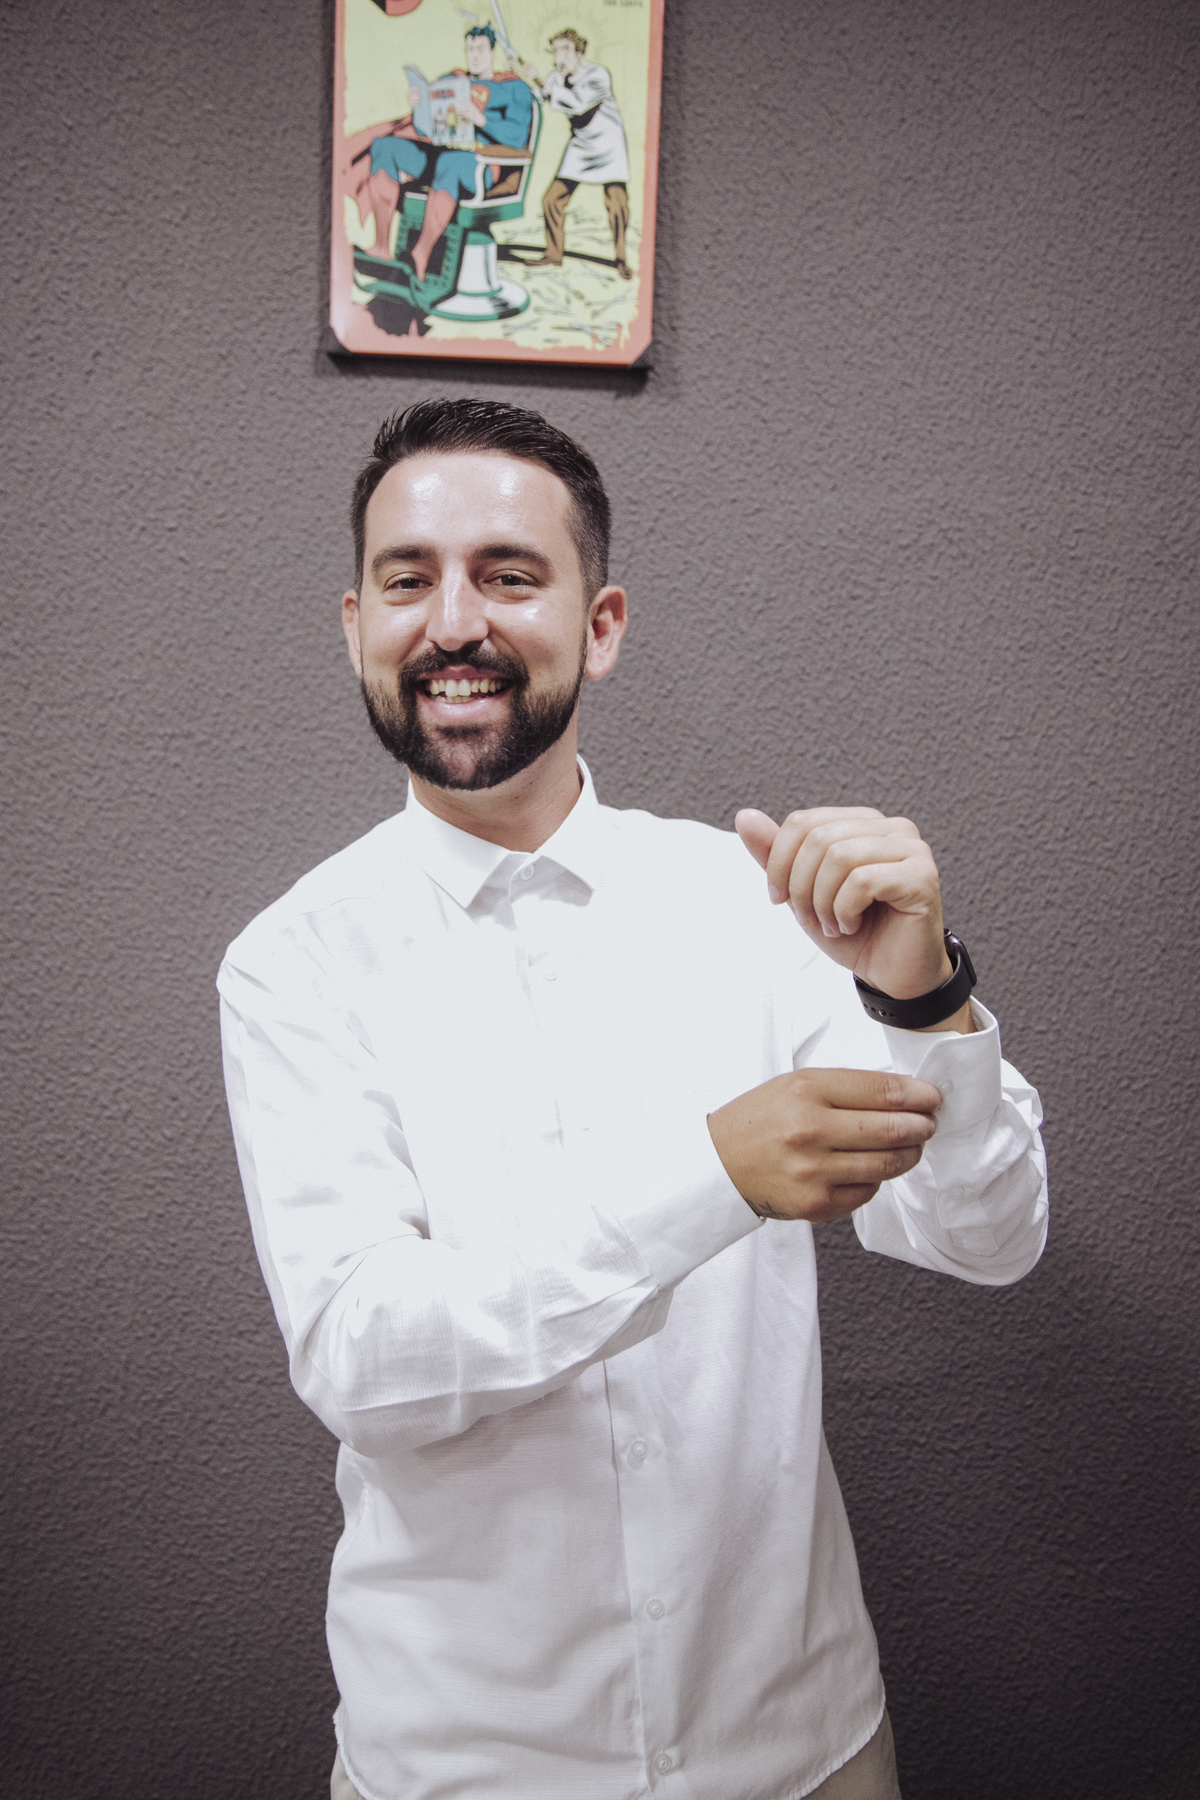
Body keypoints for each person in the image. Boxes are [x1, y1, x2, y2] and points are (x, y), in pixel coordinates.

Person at [218, 399, 1047, 1800]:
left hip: (803, 1744)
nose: (454, 623)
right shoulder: (290, 963)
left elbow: (988, 1237)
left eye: (508, 574)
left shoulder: (749, 901)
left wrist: (921, 1000)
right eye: (410, 581)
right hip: (465, 1767)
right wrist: (712, 1178)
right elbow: (365, 1360)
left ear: (598, 626)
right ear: (357, 627)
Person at [350, 25, 533, 281]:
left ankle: (420, 255)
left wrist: (481, 119)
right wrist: (419, 106)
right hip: (440, 153)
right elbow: (425, 127)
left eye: (480, 49)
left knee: (451, 162)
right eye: (470, 49)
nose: (474, 56)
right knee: (384, 146)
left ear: (492, 52)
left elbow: (518, 138)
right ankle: (381, 247)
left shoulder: (513, 88)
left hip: (480, 164)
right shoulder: (452, 78)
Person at [521, 28, 633, 278]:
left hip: (608, 145)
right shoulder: (555, 77)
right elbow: (535, 98)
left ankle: (621, 259)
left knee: (617, 204)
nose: (559, 57)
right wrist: (520, 76)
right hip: (581, 145)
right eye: (555, 51)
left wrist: (541, 81)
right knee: (552, 200)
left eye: (565, 50)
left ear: (579, 53)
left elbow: (579, 103)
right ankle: (553, 254)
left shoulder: (598, 74)